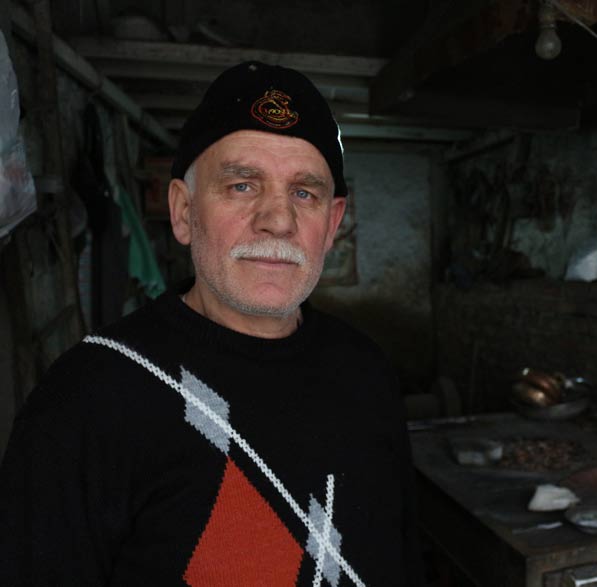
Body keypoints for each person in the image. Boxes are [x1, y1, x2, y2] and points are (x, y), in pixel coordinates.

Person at [0, 61, 425, 586]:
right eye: (242, 185)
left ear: (332, 222)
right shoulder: (86, 399)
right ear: (183, 212)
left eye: (304, 193)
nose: (278, 219)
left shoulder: (367, 372)